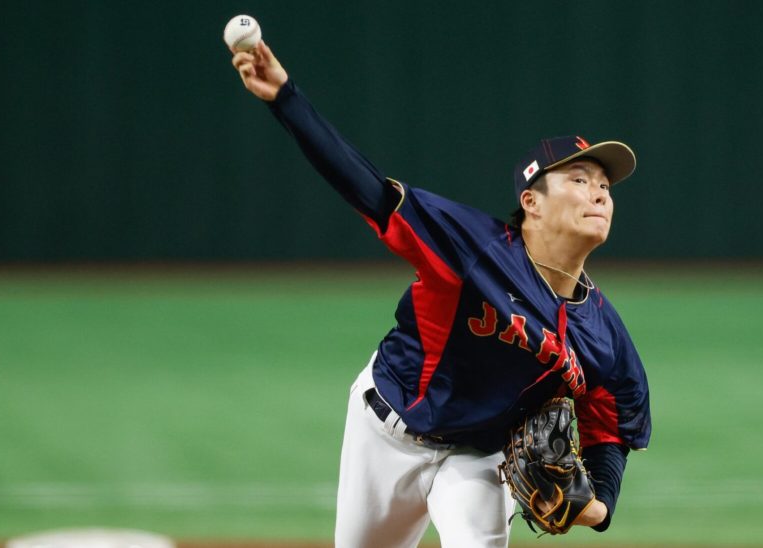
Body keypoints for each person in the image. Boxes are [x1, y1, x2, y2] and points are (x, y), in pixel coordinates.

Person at [229, 39, 652, 546]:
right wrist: (286, 99)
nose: (599, 193)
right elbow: (369, 190)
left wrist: (599, 507)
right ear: (530, 202)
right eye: (580, 179)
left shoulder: (604, 336)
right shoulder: (471, 247)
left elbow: (612, 426)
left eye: (605, 186)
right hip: (385, 431)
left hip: (479, 460)